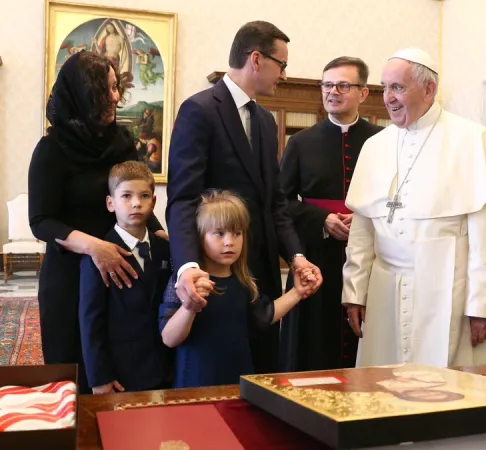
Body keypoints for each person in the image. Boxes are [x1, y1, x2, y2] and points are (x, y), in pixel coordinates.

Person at [342, 48, 486, 368]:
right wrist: (355, 291)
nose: (388, 98)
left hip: (449, 292)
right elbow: (363, 230)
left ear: (429, 89)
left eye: (398, 87)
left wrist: (482, 306)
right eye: (385, 87)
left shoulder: (474, 140)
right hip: (385, 290)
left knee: (450, 390)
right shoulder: (375, 146)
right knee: (383, 388)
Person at [166, 21, 322, 374]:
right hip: (217, 272)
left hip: (262, 269)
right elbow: (183, 198)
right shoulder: (200, 110)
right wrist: (188, 266)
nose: (284, 74)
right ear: (256, 59)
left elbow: (276, 202)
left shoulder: (266, 121)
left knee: (263, 368)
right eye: (281, 64)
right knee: (216, 373)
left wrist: (296, 256)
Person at [28, 50, 166, 393]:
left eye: (116, 87)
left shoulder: (122, 141)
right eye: (106, 90)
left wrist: (161, 232)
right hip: (70, 274)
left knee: (114, 371)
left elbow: (136, 193)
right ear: (83, 96)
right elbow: (41, 220)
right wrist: (94, 248)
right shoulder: (51, 149)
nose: (116, 97)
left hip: (119, 275)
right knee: (70, 376)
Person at [279, 56, 383, 371]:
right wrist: (321, 219)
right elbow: (280, 200)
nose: (332, 92)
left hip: (371, 257)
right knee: (313, 346)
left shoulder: (381, 142)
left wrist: (366, 218)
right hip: (316, 256)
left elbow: (398, 198)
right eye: (326, 85)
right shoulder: (300, 142)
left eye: (342, 85)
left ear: (363, 93)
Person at [159, 190, 316, 388]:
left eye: (237, 233)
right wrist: (189, 306)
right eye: (219, 233)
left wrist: (297, 292)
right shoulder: (185, 282)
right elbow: (169, 338)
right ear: (199, 238)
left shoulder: (243, 279)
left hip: (237, 381)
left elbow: (263, 316)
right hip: (195, 383)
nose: (229, 242)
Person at [78, 161, 172, 394]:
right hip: (124, 372)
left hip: (167, 368)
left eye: (144, 196)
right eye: (126, 196)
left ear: (154, 202)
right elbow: (91, 320)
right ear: (111, 203)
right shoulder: (98, 255)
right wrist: (99, 377)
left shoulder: (166, 248)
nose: (136, 203)